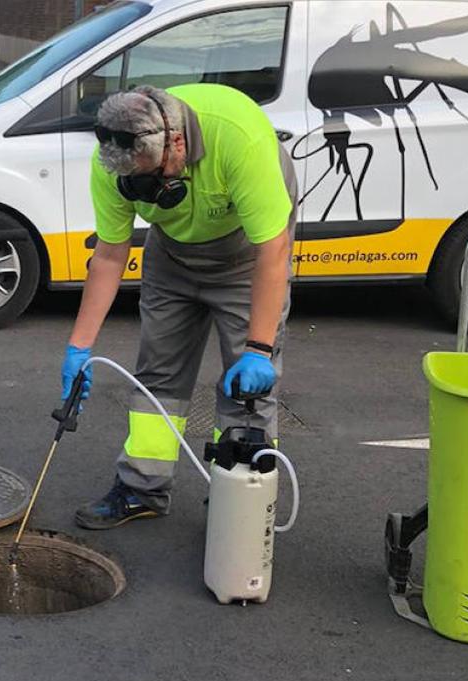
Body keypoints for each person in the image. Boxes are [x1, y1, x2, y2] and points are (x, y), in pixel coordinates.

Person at [64, 83, 298, 530]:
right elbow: (111, 254)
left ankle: (239, 499)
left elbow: (273, 248)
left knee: (247, 389)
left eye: (154, 176)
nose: (147, 191)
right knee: (158, 371)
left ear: (176, 142)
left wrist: (259, 349)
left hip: (246, 255)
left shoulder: (238, 138)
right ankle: (141, 487)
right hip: (171, 254)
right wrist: (79, 347)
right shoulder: (113, 161)